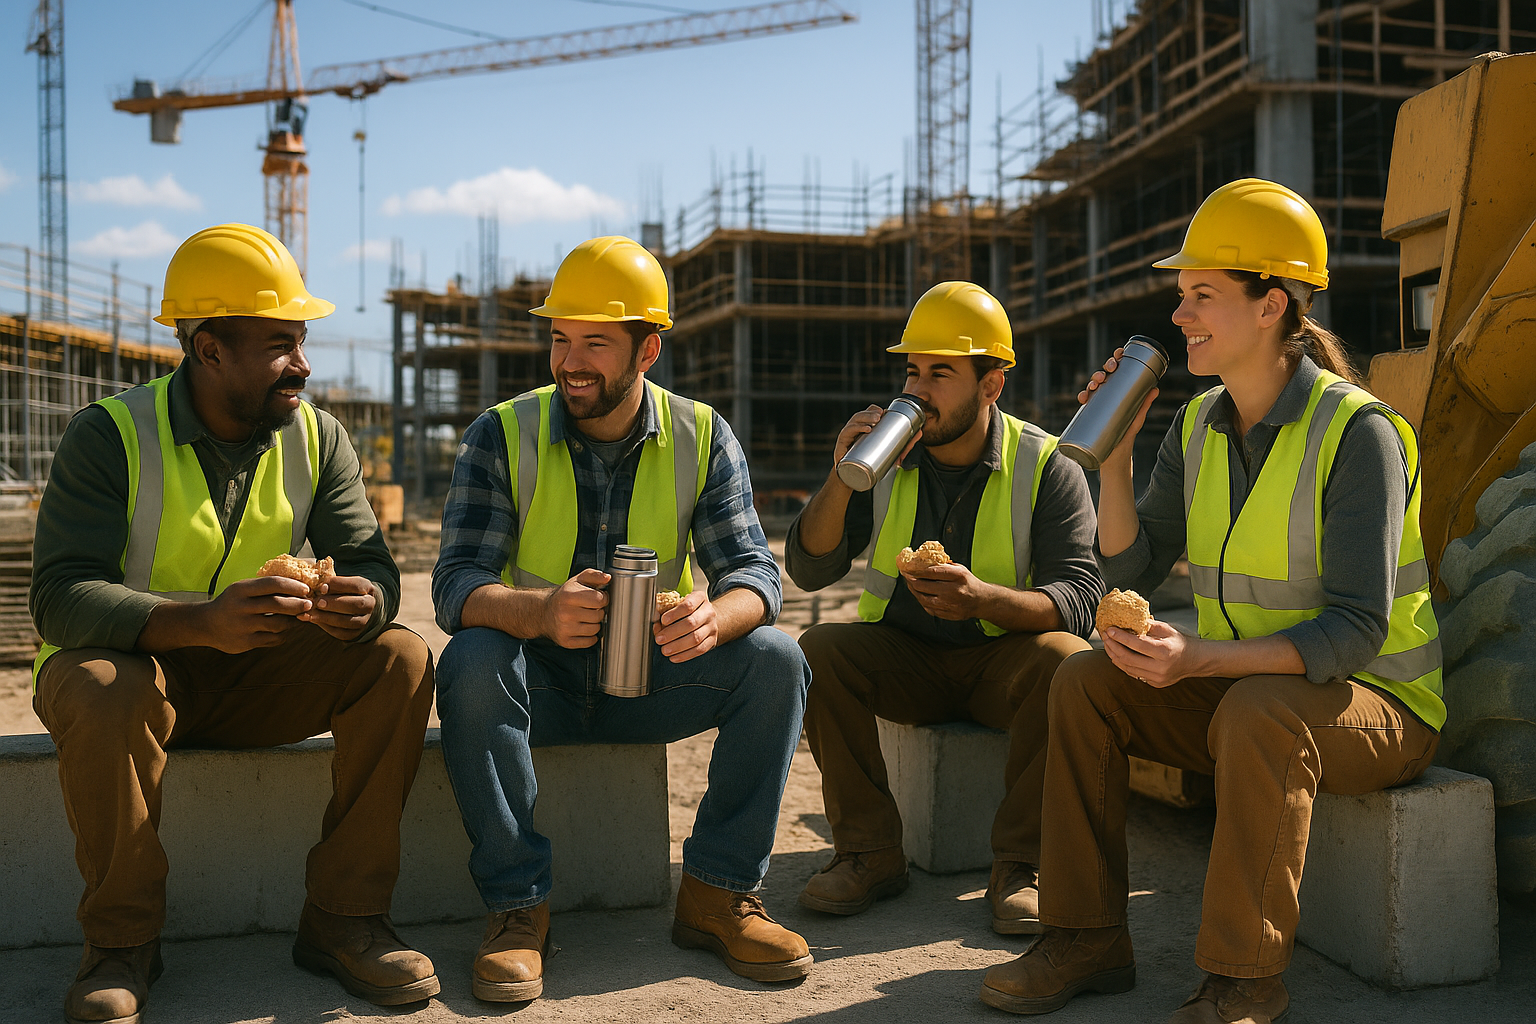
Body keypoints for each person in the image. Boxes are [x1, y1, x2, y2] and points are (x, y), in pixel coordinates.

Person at [979, 179, 1443, 1023]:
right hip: (1250, 695)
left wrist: (1201, 660)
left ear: (1271, 306)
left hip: (1379, 709)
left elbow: (1355, 630)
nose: (1182, 315)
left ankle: (1244, 979)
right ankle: (1084, 936)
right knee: (1084, 681)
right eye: (1181, 296)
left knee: (1258, 714)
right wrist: (1114, 458)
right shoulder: (1196, 427)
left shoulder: (1358, 434)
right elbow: (1133, 571)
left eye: (1201, 296)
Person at [29, 223, 440, 1024]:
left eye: (303, 340)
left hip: (260, 674)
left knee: (398, 656)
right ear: (209, 350)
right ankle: (120, 946)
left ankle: (345, 920)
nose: (304, 363)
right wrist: (196, 622)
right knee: (103, 686)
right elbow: (58, 595)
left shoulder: (320, 438)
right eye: (281, 344)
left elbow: (375, 565)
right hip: (140, 680)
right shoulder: (108, 436)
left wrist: (367, 601)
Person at [431, 235, 812, 1001]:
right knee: (470, 658)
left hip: (651, 682)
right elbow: (454, 584)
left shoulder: (703, 436)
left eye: (595, 344)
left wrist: (716, 619)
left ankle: (718, 892)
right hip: (535, 681)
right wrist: (537, 612)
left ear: (648, 350)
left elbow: (754, 574)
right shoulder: (501, 434)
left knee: (776, 658)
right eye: (559, 339)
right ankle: (517, 907)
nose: (570, 361)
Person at [787, 281, 1103, 933]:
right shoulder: (885, 459)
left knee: (1069, 661)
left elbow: (1079, 599)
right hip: (907, 662)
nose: (918, 390)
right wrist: (841, 475)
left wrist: (983, 600)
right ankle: (869, 853)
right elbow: (809, 568)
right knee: (815, 650)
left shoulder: (1047, 466)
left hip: (1000, 667)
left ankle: (1021, 865)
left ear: (992, 385)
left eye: (940, 373)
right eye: (912, 370)